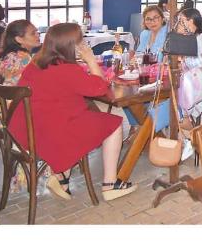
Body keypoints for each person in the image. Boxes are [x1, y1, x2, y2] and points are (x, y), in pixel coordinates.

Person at [8, 23, 136, 201]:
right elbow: (100, 88)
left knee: (83, 118)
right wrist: (91, 60)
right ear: (70, 46)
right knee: (114, 124)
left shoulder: (36, 62)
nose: (83, 44)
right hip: (48, 133)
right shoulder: (67, 69)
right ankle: (110, 184)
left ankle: (62, 178)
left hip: (25, 128)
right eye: (80, 41)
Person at [0, 20, 41, 86]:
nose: (38, 35)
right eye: (33, 33)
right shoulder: (23, 58)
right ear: (19, 39)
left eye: (37, 32)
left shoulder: (7, 55)